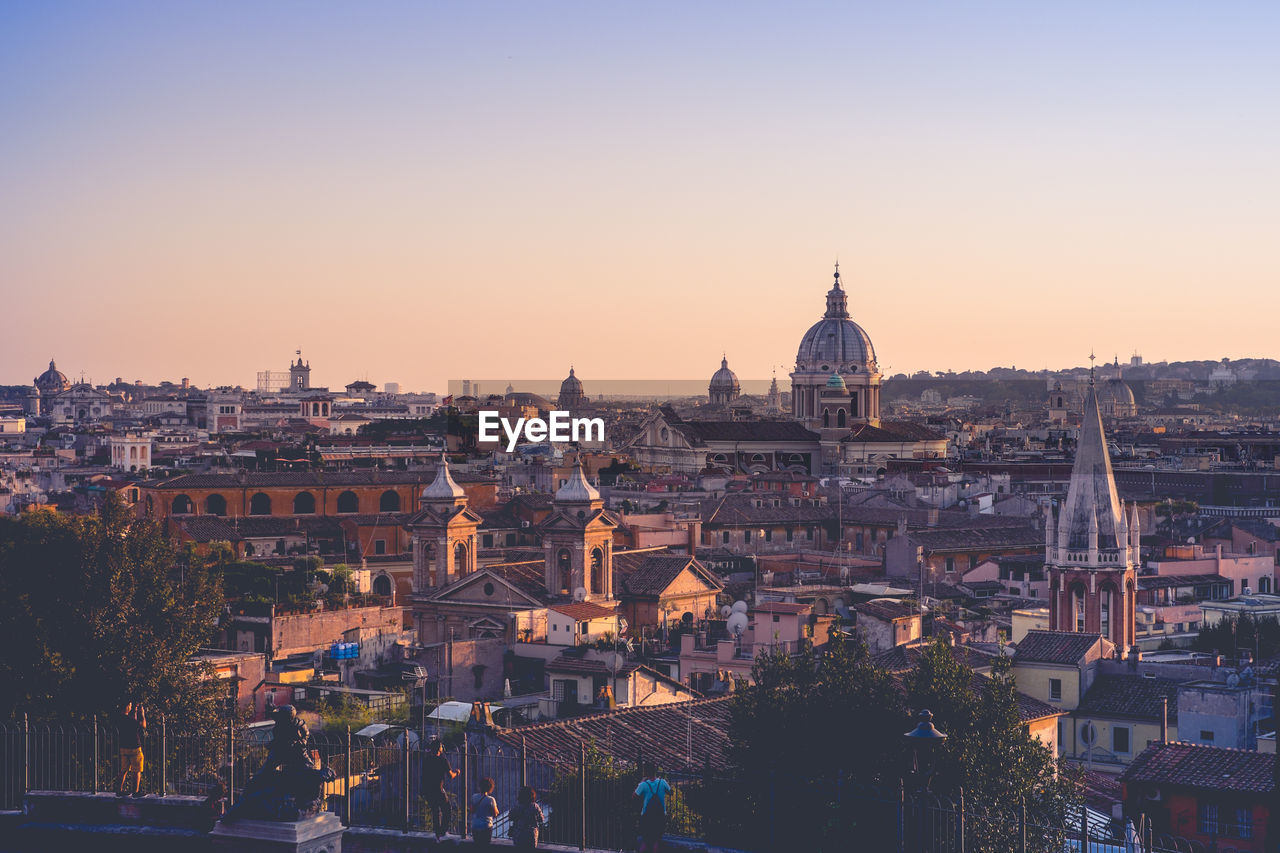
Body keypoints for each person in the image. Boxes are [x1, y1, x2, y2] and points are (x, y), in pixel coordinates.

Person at [422, 739, 458, 839]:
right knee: (447, 809)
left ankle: (437, 833)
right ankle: (443, 831)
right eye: (441, 746)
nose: (442, 748)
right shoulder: (443, 760)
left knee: (435, 811)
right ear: (439, 748)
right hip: (438, 789)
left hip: (428, 789)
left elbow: (424, 776)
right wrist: (457, 772)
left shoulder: (426, 760)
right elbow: (450, 775)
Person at [634, 764, 672, 853]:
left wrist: (641, 782)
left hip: (646, 815)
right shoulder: (662, 782)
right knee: (656, 840)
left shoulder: (644, 784)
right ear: (655, 771)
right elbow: (671, 792)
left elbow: (634, 796)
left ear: (646, 772)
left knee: (646, 840)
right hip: (660, 815)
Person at [116, 702, 146, 798]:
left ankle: (119, 790)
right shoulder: (130, 720)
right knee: (136, 770)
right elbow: (143, 725)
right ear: (126, 707)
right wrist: (143, 714)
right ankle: (135, 792)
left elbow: (134, 724)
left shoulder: (119, 719)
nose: (130, 707)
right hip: (135, 748)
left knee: (123, 770)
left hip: (124, 748)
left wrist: (135, 712)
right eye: (129, 705)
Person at [510, 786, 546, 851]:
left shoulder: (517, 806)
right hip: (531, 834)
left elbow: (510, 816)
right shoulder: (535, 806)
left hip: (518, 833)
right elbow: (541, 819)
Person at [469, 777, 499, 846]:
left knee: (477, 846)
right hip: (486, 826)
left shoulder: (474, 797)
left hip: (475, 825)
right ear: (491, 788)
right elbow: (495, 814)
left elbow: (471, 810)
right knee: (485, 846)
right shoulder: (491, 799)